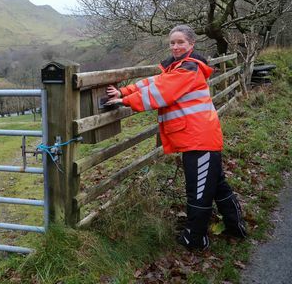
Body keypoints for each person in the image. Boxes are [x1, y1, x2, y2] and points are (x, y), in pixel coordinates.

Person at [105, 25, 247, 250]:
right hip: (199, 137)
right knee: (216, 185)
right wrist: (124, 91)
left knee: (198, 191)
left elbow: (162, 92)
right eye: (172, 42)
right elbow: (154, 82)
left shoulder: (188, 68)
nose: (176, 46)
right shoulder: (178, 67)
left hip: (199, 139)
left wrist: (125, 101)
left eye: (181, 42)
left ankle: (195, 239)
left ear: (192, 44)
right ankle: (236, 227)